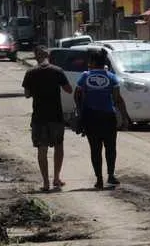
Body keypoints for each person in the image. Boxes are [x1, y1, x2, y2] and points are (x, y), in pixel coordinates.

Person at [74, 48, 129, 189]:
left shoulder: (85, 76)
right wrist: (124, 117)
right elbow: (118, 99)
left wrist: (80, 113)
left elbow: (77, 95)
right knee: (110, 148)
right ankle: (110, 175)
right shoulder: (111, 77)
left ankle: (99, 179)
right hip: (108, 117)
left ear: (92, 62)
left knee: (95, 149)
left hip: (91, 117)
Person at [21, 45, 73, 192]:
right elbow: (68, 89)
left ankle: (45, 183)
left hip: (39, 117)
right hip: (56, 116)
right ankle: (56, 178)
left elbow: (27, 94)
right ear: (48, 56)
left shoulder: (30, 73)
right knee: (58, 146)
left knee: (42, 149)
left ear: (36, 57)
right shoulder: (57, 71)